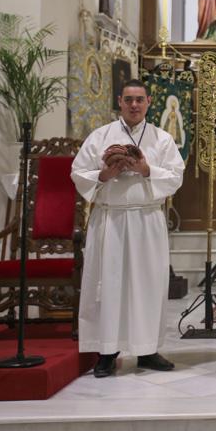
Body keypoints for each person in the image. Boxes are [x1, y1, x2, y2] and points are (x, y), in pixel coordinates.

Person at [71, 80, 185, 377]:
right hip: (111, 221)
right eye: (128, 100)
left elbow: (175, 176)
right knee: (108, 287)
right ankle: (107, 352)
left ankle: (147, 350)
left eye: (140, 100)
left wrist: (146, 170)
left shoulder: (162, 139)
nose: (134, 105)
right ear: (119, 102)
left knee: (148, 285)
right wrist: (105, 174)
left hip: (146, 219)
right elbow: (78, 173)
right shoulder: (100, 136)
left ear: (149, 102)